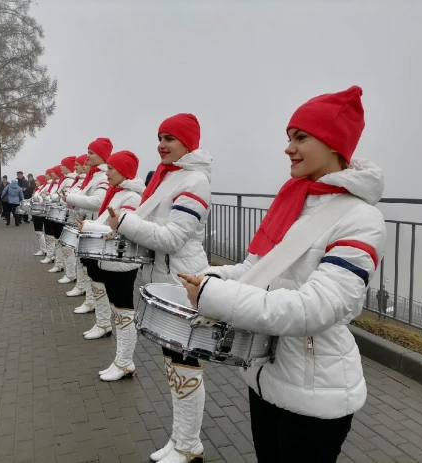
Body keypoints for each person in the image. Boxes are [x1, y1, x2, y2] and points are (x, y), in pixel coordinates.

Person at [180, 86, 387, 463]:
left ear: (333, 142)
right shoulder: (295, 199)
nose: (288, 148)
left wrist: (214, 296)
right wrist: (210, 276)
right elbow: (257, 269)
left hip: (316, 396)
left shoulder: (362, 219)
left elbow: (315, 309)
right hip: (265, 379)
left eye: (301, 137)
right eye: (289, 138)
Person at [108, 114, 212, 463]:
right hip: (163, 280)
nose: (161, 144)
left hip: (183, 282)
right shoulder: (169, 177)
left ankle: (188, 443)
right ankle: (180, 439)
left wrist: (124, 221)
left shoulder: (195, 180)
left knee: (185, 363)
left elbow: (172, 238)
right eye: (159, 137)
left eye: (170, 138)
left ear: (187, 143)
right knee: (174, 363)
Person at [78, 151, 145, 380]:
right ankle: (120, 360)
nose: (107, 172)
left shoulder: (132, 198)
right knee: (118, 309)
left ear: (124, 171)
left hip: (122, 262)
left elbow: (121, 230)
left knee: (124, 311)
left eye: (112, 169)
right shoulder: (118, 193)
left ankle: (125, 362)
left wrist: (88, 225)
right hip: (110, 259)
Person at [65, 139, 112, 314]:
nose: (87, 159)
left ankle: (93, 304)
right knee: (86, 265)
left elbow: (98, 202)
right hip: (88, 224)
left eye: (91, 153)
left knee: (94, 271)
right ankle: (90, 300)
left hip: (96, 228)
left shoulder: (103, 176)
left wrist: (69, 198)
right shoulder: (95, 176)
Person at [64, 155, 92, 297]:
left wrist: (69, 199)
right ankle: (78, 283)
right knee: (77, 253)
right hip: (81, 219)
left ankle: (81, 286)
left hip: (88, 223)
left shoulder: (98, 180)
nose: (76, 167)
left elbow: (95, 202)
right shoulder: (82, 180)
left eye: (78, 164)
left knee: (85, 260)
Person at [51, 156, 81, 282]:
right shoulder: (69, 180)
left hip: (73, 217)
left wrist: (62, 199)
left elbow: (67, 198)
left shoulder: (70, 181)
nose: (61, 167)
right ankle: (62, 266)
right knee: (61, 242)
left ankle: (70, 273)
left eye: (63, 165)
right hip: (66, 215)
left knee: (69, 246)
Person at [40, 167, 62, 266]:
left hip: (56, 212)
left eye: (49, 173)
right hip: (48, 211)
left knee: (55, 236)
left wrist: (48, 196)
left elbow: (57, 196)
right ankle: (51, 255)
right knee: (49, 234)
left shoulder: (60, 183)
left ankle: (55, 260)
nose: (47, 175)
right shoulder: (52, 184)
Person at [30, 174, 48, 255]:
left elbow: (43, 200)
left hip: (40, 212)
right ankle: (42, 248)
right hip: (35, 211)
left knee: (39, 231)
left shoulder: (44, 189)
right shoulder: (36, 189)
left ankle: (44, 249)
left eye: (37, 180)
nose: (35, 181)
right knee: (37, 231)